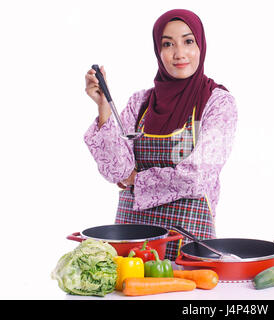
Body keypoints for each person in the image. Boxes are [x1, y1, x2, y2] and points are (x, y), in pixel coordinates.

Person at [83, 9, 237, 260]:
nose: (179, 54)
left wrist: (137, 180)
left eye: (188, 41)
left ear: (201, 45)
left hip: (188, 238)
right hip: (131, 239)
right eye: (168, 44)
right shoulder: (141, 103)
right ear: (158, 50)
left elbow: (196, 177)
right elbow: (116, 171)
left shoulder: (217, 104)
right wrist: (103, 108)